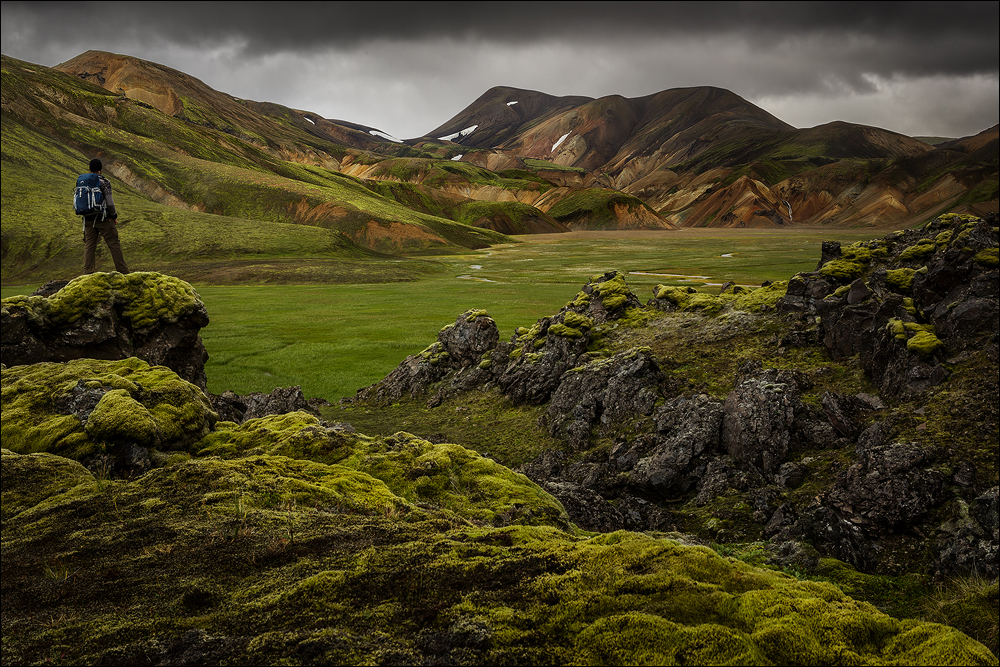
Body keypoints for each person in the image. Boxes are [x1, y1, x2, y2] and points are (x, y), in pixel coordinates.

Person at [82, 158, 129, 274]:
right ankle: (123, 272)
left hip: (87, 219)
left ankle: (87, 273)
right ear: (100, 169)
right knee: (114, 244)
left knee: (89, 246)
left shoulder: (82, 181)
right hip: (103, 218)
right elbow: (110, 203)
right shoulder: (104, 182)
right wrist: (114, 215)